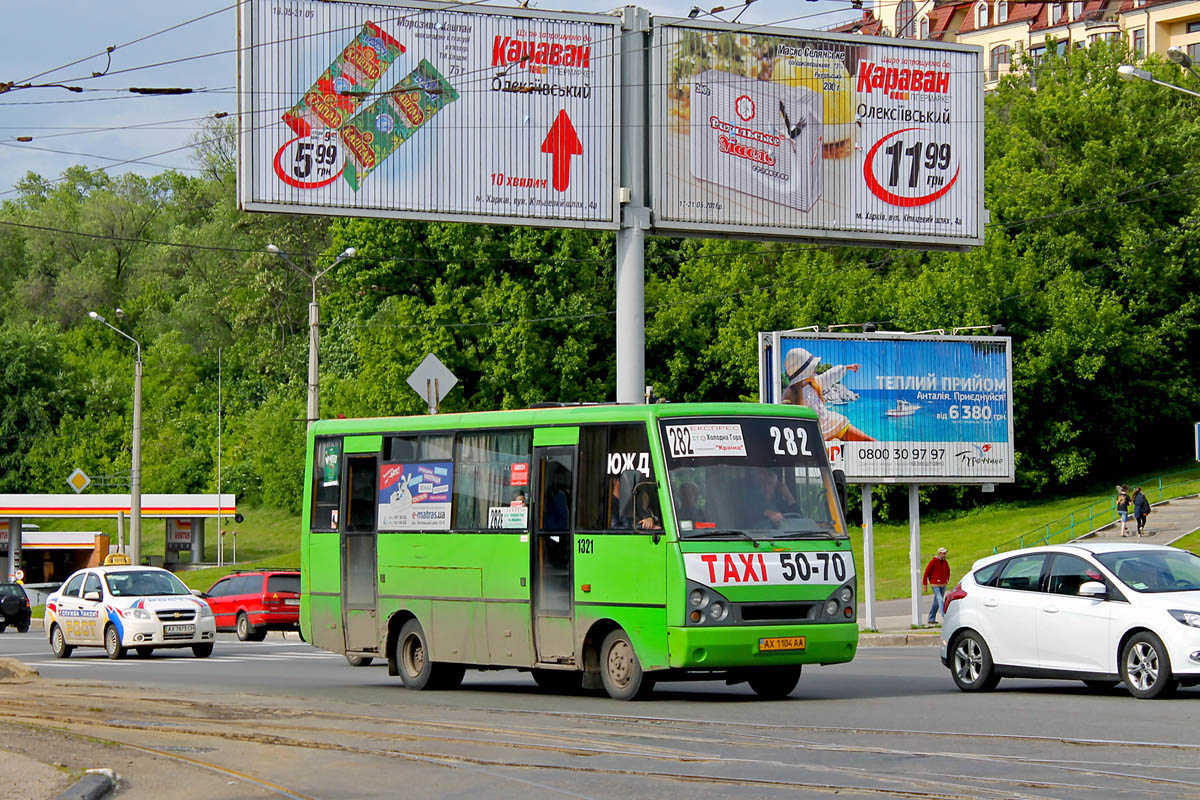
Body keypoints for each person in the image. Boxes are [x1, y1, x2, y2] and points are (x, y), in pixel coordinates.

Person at [780, 347, 875, 442]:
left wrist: (846, 367)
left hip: (835, 424)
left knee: (869, 441)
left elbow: (829, 375)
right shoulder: (789, 395)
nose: (815, 369)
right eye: (812, 367)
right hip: (817, 437)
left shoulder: (813, 382)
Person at [922, 547, 950, 626]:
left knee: (936, 602)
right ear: (939, 553)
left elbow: (948, 571)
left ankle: (931, 618)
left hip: (943, 584)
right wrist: (925, 585)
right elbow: (926, 573)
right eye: (943, 553)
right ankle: (945, 617)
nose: (945, 555)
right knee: (940, 599)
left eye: (945, 553)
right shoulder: (933, 562)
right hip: (935, 584)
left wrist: (947, 579)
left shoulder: (945, 562)